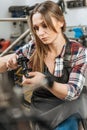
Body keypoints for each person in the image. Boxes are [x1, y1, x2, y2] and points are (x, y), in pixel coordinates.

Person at [0, 1, 87, 130]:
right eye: (36, 28)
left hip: (69, 111)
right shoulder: (34, 47)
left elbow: (72, 93)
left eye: (45, 25)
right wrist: (9, 61)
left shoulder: (78, 51)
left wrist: (45, 81)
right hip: (41, 111)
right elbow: (5, 62)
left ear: (60, 22)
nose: (40, 33)